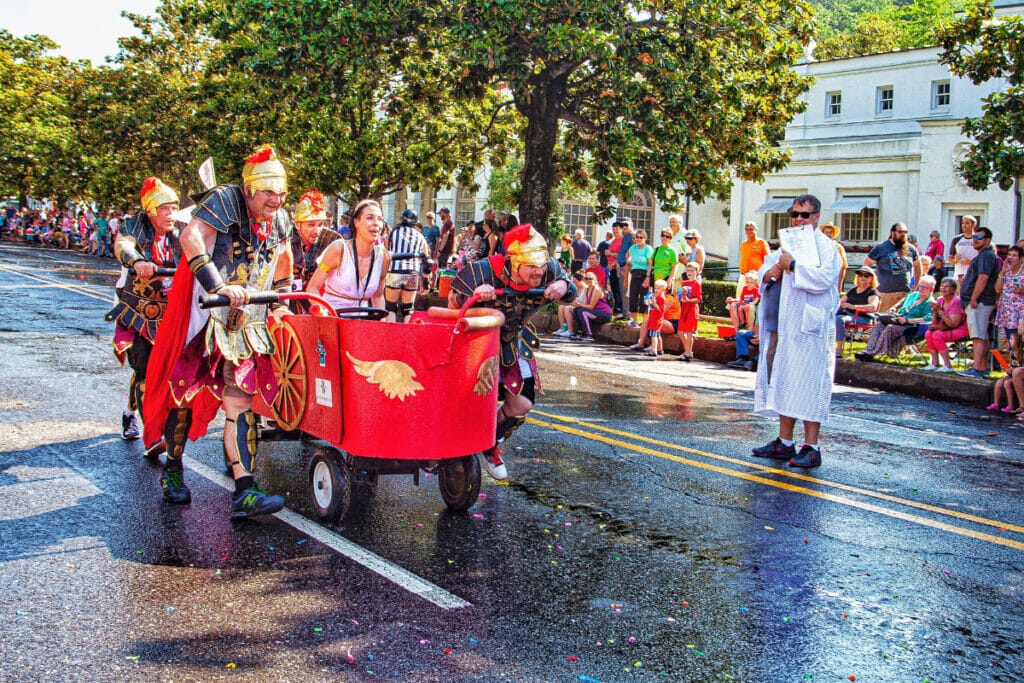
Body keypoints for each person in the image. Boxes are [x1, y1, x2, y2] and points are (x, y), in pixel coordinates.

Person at [142, 145, 294, 518]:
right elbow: (191, 238)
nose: (275, 199)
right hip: (204, 315)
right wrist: (216, 286)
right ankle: (174, 471)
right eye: (268, 192)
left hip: (245, 324)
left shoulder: (281, 219)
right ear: (248, 188)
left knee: (241, 400)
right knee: (183, 395)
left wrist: (282, 303)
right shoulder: (224, 199)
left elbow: (284, 257)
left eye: (280, 192)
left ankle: (244, 489)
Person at [448, 224, 576, 480]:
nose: (539, 271)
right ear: (513, 263)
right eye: (531, 266)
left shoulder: (549, 268)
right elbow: (453, 302)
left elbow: (571, 294)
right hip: (477, 342)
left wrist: (562, 285)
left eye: (541, 264)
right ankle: (455, 446)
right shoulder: (483, 270)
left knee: (521, 403)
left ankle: (489, 442)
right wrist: (474, 296)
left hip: (514, 341)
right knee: (468, 402)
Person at [751, 194, 842, 469]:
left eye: (804, 215)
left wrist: (792, 266)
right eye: (795, 214)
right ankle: (784, 440)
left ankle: (811, 446)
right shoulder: (787, 244)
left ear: (816, 217)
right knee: (784, 377)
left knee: (811, 382)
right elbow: (765, 274)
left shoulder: (828, 248)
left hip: (811, 328)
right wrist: (775, 269)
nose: (798, 219)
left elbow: (823, 280)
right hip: (787, 323)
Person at [104, 177, 181, 447]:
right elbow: (122, 245)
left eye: (174, 208)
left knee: (163, 373)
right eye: (165, 209)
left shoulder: (179, 233)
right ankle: (152, 431)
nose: (170, 214)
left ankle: (130, 412)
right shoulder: (134, 225)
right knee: (145, 371)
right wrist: (137, 260)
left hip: (169, 313)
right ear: (150, 211)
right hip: (136, 311)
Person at [306, 199, 390, 311]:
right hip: (333, 318)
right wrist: (323, 311)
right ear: (356, 222)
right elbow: (312, 288)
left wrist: (382, 321)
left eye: (380, 219)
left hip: (363, 322)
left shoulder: (384, 257)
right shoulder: (338, 249)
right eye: (370, 218)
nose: (376, 223)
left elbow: (378, 296)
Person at [855, 276, 935, 361]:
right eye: (920, 286)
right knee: (879, 325)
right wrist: (894, 308)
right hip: (898, 321)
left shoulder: (930, 303)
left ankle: (872, 353)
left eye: (925, 288)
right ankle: (868, 350)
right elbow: (903, 301)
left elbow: (928, 319)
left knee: (890, 328)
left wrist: (908, 320)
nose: (921, 289)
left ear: (931, 289)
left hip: (910, 329)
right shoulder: (914, 296)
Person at [957, 227, 1000, 379]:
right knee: (982, 335)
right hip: (980, 301)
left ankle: (977, 369)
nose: (975, 239)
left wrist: (974, 298)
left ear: (987, 240)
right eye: (974, 237)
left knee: (978, 336)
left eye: (979, 237)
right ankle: (981, 368)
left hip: (980, 302)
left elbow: (983, 278)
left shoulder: (986, 256)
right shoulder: (983, 255)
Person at [289, 189, 341, 309]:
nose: (317, 231)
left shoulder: (331, 241)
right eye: (311, 225)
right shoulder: (284, 241)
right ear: (297, 224)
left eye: (320, 224)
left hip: (316, 304)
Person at [862, 222, 922, 312]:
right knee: (883, 321)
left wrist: (916, 285)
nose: (903, 234)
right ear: (892, 233)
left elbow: (918, 266)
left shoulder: (911, 249)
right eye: (900, 232)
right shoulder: (881, 247)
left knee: (901, 322)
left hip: (905, 294)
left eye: (905, 232)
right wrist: (869, 286)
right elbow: (866, 265)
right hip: (885, 293)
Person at [383, 208, 430, 322]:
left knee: (391, 307)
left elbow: (386, 252)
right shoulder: (420, 236)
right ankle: (407, 336)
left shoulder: (393, 232)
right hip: (412, 273)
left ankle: (391, 336)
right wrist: (425, 282)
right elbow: (426, 260)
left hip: (395, 271)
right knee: (408, 309)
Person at [922, 277, 969, 372]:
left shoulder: (956, 301)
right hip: (945, 327)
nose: (943, 288)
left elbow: (953, 324)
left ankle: (948, 366)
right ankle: (935, 363)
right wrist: (935, 311)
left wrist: (939, 310)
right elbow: (935, 322)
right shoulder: (940, 300)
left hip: (960, 329)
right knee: (928, 333)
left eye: (947, 286)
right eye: (942, 286)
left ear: (953, 289)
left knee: (937, 335)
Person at [834, 265, 880, 356]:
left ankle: (838, 350)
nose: (862, 277)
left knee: (839, 319)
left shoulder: (872, 292)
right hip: (847, 314)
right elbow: (839, 302)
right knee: (827, 317)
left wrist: (853, 306)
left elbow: (872, 307)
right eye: (860, 274)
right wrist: (839, 306)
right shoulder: (852, 290)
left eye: (866, 275)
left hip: (862, 317)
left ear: (871, 278)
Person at [993, 245, 1024, 365]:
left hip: (1020, 311)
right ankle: (1013, 368)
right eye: (1009, 255)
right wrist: (1002, 273)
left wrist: (1021, 290)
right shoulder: (1006, 272)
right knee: (1010, 341)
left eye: (1014, 255)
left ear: (1021, 258)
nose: (1010, 258)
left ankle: (1019, 367)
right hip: (1007, 311)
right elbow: (997, 289)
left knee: (1018, 341)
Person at [572, 271, 612, 340]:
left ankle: (589, 334)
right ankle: (579, 332)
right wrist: (577, 304)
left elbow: (591, 306)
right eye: (586, 278)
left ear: (594, 279)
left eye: (590, 278)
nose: (588, 280)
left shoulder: (596, 289)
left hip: (604, 313)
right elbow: (584, 303)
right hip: (594, 312)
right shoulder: (586, 289)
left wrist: (580, 304)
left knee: (583, 312)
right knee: (576, 310)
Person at [626, 229, 653, 327]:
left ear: (645, 238)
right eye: (636, 237)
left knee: (644, 297)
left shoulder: (648, 249)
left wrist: (648, 277)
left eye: (641, 237)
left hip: (644, 273)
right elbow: (628, 256)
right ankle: (634, 320)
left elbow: (650, 264)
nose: (638, 239)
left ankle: (645, 320)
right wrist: (628, 260)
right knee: (633, 296)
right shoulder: (633, 248)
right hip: (634, 273)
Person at [676, 262, 702, 361]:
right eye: (688, 270)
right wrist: (679, 297)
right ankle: (688, 351)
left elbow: (698, 299)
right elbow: (680, 295)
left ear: (697, 272)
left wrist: (688, 300)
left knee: (689, 332)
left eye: (692, 270)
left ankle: (687, 352)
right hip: (684, 309)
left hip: (692, 309)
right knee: (681, 331)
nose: (689, 272)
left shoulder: (697, 283)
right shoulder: (685, 283)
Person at [738, 221, 771, 294]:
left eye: (751, 229)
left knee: (754, 300)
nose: (749, 231)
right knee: (740, 298)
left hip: (755, 277)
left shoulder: (761, 243)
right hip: (743, 276)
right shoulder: (743, 244)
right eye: (747, 229)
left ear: (756, 230)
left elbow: (768, 260)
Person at [553, 271, 587, 337]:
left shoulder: (585, 289)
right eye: (573, 282)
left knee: (567, 308)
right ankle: (563, 328)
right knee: (561, 307)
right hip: (575, 304)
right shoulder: (576, 288)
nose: (574, 283)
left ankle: (570, 330)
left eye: (575, 281)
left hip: (582, 306)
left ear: (581, 280)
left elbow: (584, 301)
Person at [727, 271, 761, 335]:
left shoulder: (756, 289)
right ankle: (740, 327)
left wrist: (751, 304)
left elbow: (757, 299)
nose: (749, 284)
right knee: (735, 306)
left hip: (751, 305)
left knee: (747, 308)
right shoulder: (745, 288)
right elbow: (741, 299)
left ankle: (748, 330)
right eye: (748, 282)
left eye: (751, 282)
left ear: (755, 282)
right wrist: (733, 300)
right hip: (744, 303)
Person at [615, 218, 635, 320]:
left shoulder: (633, 236)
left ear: (631, 224)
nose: (624, 227)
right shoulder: (625, 236)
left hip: (627, 266)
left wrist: (626, 267)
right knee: (622, 290)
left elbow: (633, 252)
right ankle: (625, 312)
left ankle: (628, 314)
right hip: (621, 265)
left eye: (626, 225)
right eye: (622, 225)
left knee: (626, 290)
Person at [643, 279, 669, 357]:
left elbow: (661, 310)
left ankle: (653, 350)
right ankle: (660, 349)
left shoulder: (661, 298)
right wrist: (648, 301)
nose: (656, 290)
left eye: (659, 288)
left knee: (653, 335)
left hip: (656, 320)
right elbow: (650, 304)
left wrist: (654, 303)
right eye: (655, 288)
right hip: (654, 318)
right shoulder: (656, 296)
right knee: (657, 335)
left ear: (663, 289)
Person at [819, 222, 847, 292]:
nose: (828, 234)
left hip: (833, 280)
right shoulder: (818, 246)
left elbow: (843, 267)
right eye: (826, 232)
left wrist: (839, 285)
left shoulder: (838, 247)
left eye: (830, 232)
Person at [949, 215, 979, 282]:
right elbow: (950, 259)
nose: (964, 225)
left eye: (967, 223)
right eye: (963, 223)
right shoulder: (956, 239)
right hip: (959, 276)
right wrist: (955, 259)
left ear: (973, 225)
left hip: (974, 276)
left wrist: (971, 262)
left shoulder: (978, 239)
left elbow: (983, 258)